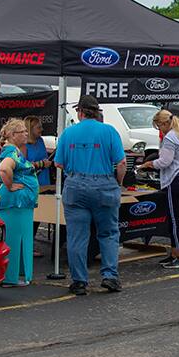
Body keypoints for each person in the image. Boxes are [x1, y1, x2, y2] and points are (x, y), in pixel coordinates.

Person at [54, 95, 127, 296]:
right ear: (97, 112)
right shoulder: (109, 131)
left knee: (77, 236)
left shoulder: (68, 133)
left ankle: (79, 281)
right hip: (104, 184)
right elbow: (121, 163)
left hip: (76, 185)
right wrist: (118, 183)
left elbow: (58, 163)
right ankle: (110, 276)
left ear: (79, 112)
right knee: (109, 233)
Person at [137, 109, 179, 269]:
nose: (159, 130)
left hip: (176, 178)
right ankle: (174, 253)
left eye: (158, 126)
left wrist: (149, 164)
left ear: (164, 123)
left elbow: (165, 161)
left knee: (177, 219)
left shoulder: (170, 137)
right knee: (175, 217)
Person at [0, 118, 39, 287]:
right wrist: (9, 185)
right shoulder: (11, 152)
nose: (26, 134)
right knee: (16, 237)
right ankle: (12, 277)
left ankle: (16, 275)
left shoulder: (8, 150)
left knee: (17, 236)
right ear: (13, 135)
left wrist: (2, 184)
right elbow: (4, 168)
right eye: (23, 132)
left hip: (17, 202)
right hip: (17, 203)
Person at [24, 115, 52, 258]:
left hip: (43, 182)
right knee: (31, 216)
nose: (41, 129)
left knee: (40, 213)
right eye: (38, 127)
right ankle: (27, 245)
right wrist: (40, 164)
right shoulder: (24, 146)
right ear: (30, 129)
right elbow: (23, 165)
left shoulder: (40, 141)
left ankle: (30, 243)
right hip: (30, 182)